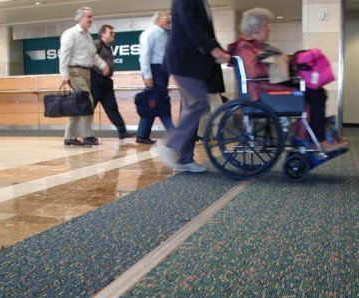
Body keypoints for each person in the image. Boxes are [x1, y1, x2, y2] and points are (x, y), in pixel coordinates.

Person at [228, 7, 348, 153]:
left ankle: (307, 136)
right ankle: (314, 140)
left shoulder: (255, 46)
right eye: (266, 26)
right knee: (314, 93)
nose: (269, 30)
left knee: (316, 91)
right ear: (256, 28)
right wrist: (271, 60)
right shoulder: (245, 47)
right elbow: (254, 74)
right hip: (260, 91)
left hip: (265, 87)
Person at [156, 0, 230, 172]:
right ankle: (171, 144)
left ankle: (184, 158)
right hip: (183, 61)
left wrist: (220, 51)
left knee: (191, 107)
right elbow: (191, 25)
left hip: (194, 64)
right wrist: (214, 50)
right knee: (198, 103)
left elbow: (207, 33)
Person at [59, 7, 109, 146]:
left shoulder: (87, 36)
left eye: (92, 17)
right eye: (89, 17)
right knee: (87, 101)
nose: (91, 20)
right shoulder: (71, 34)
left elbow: (93, 56)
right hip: (75, 72)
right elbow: (64, 55)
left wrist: (102, 65)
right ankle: (86, 135)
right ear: (80, 18)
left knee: (77, 105)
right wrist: (64, 76)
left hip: (86, 73)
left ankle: (69, 137)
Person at [136, 10, 174, 145]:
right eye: (166, 17)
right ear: (158, 19)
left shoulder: (166, 34)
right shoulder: (150, 33)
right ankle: (173, 133)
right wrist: (147, 75)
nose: (169, 19)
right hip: (154, 70)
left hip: (163, 71)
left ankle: (142, 135)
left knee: (153, 102)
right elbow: (144, 55)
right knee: (161, 101)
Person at [91, 25, 134, 140]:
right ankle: (85, 134)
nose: (113, 34)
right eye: (111, 32)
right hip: (96, 81)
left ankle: (122, 131)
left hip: (106, 82)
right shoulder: (97, 44)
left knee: (112, 107)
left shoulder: (108, 47)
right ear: (103, 34)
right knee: (90, 108)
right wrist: (98, 70)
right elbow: (88, 58)